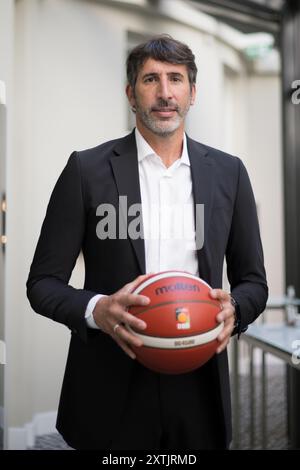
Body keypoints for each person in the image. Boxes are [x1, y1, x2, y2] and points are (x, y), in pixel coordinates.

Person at [27, 35, 268, 450]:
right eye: (150, 79)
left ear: (192, 93)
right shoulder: (85, 170)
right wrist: (96, 310)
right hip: (110, 378)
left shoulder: (230, 173)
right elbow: (42, 283)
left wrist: (235, 307)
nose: (164, 92)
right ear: (130, 94)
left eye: (176, 79)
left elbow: (254, 282)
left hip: (198, 376)